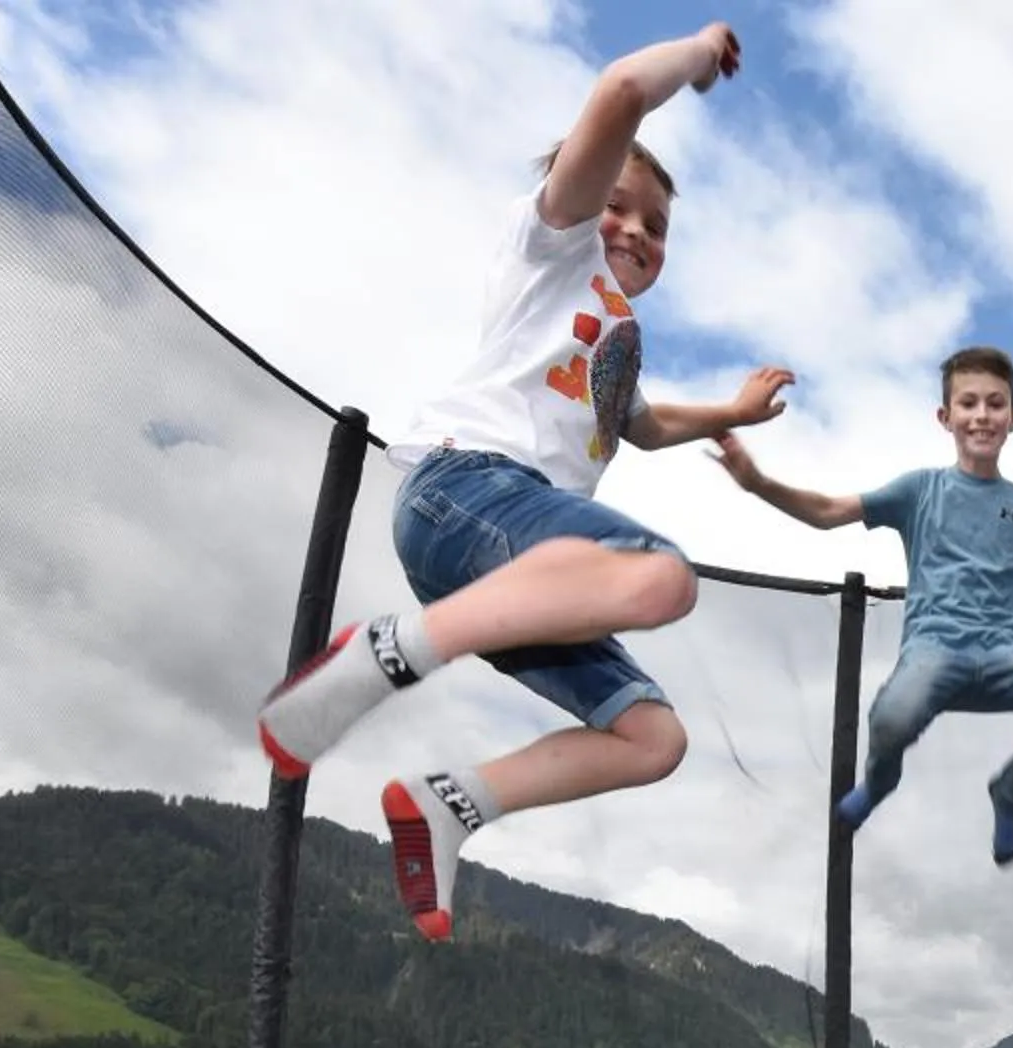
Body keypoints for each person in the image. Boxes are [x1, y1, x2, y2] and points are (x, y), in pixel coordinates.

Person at [255, 21, 796, 940]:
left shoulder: (616, 332)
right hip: (464, 493)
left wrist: (732, 417)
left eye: (657, 228)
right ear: (581, 198)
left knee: (653, 740)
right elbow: (622, 91)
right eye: (619, 207)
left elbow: (645, 426)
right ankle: (387, 652)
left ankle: (451, 804)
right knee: (661, 577)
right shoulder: (552, 249)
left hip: (513, 573)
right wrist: (702, 53)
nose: (634, 231)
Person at [710, 346, 1013, 865]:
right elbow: (827, 512)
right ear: (946, 417)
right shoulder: (921, 490)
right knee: (892, 718)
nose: (981, 415)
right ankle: (879, 781)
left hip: (1005, 659)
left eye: (995, 404)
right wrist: (758, 484)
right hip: (934, 653)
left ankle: (1009, 791)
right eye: (968, 404)